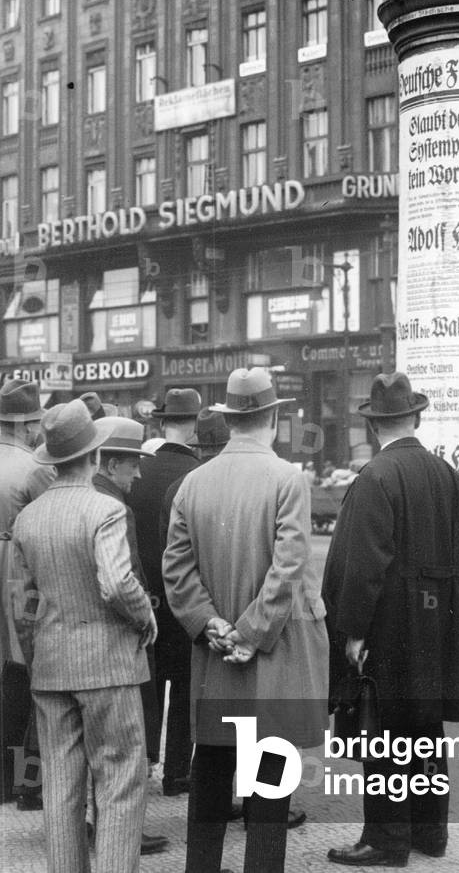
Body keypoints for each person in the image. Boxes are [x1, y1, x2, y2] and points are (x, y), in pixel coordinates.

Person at [163, 367, 328, 873]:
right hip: (270, 653)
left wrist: (209, 622)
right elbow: (289, 565)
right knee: (269, 774)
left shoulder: (192, 482)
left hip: (213, 657)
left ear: (231, 419)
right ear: (273, 417)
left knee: (211, 763)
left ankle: (203, 867)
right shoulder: (286, 478)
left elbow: (177, 567)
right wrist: (252, 632)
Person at [322, 371, 459, 867]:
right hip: (440, 621)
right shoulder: (450, 476)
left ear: (373, 426)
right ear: (415, 416)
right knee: (426, 727)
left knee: (386, 729)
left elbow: (361, 565)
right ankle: (430, 832)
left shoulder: (375, 477)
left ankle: (386, 839)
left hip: (390, 626)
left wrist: (353, 633)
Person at [12, 400, 156, 873]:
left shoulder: (28, 518)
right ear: (94, 456)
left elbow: (22, 604)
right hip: (108, 664)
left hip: (51, 668)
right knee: (118, 782)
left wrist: (37, 657)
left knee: (60, 786)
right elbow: (116, 581)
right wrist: (143, 619)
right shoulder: (106, 509)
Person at [92, 416, 168, 855]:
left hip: (85, 649)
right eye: (132, 465)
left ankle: (104, 827)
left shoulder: (82, 498)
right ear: (110, 463)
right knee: (124, 745)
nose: (138, 474)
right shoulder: (115, 508)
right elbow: (123, 580)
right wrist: (145, 617)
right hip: (121, 643)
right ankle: (122, 834)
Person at [129, 387, 201, 797]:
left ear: (159, 422)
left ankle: (143, 767)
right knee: (187, 683)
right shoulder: (197, 473)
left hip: (142, 595)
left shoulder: (138, 473)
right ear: (194, 425)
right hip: (185, 596)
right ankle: (177, 772)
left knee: (148, 684)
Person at [0, 379, 54, 810]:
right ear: (29, 423)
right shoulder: (33, 469)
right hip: (17, 577)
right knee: (24, 677)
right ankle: (23, 781)